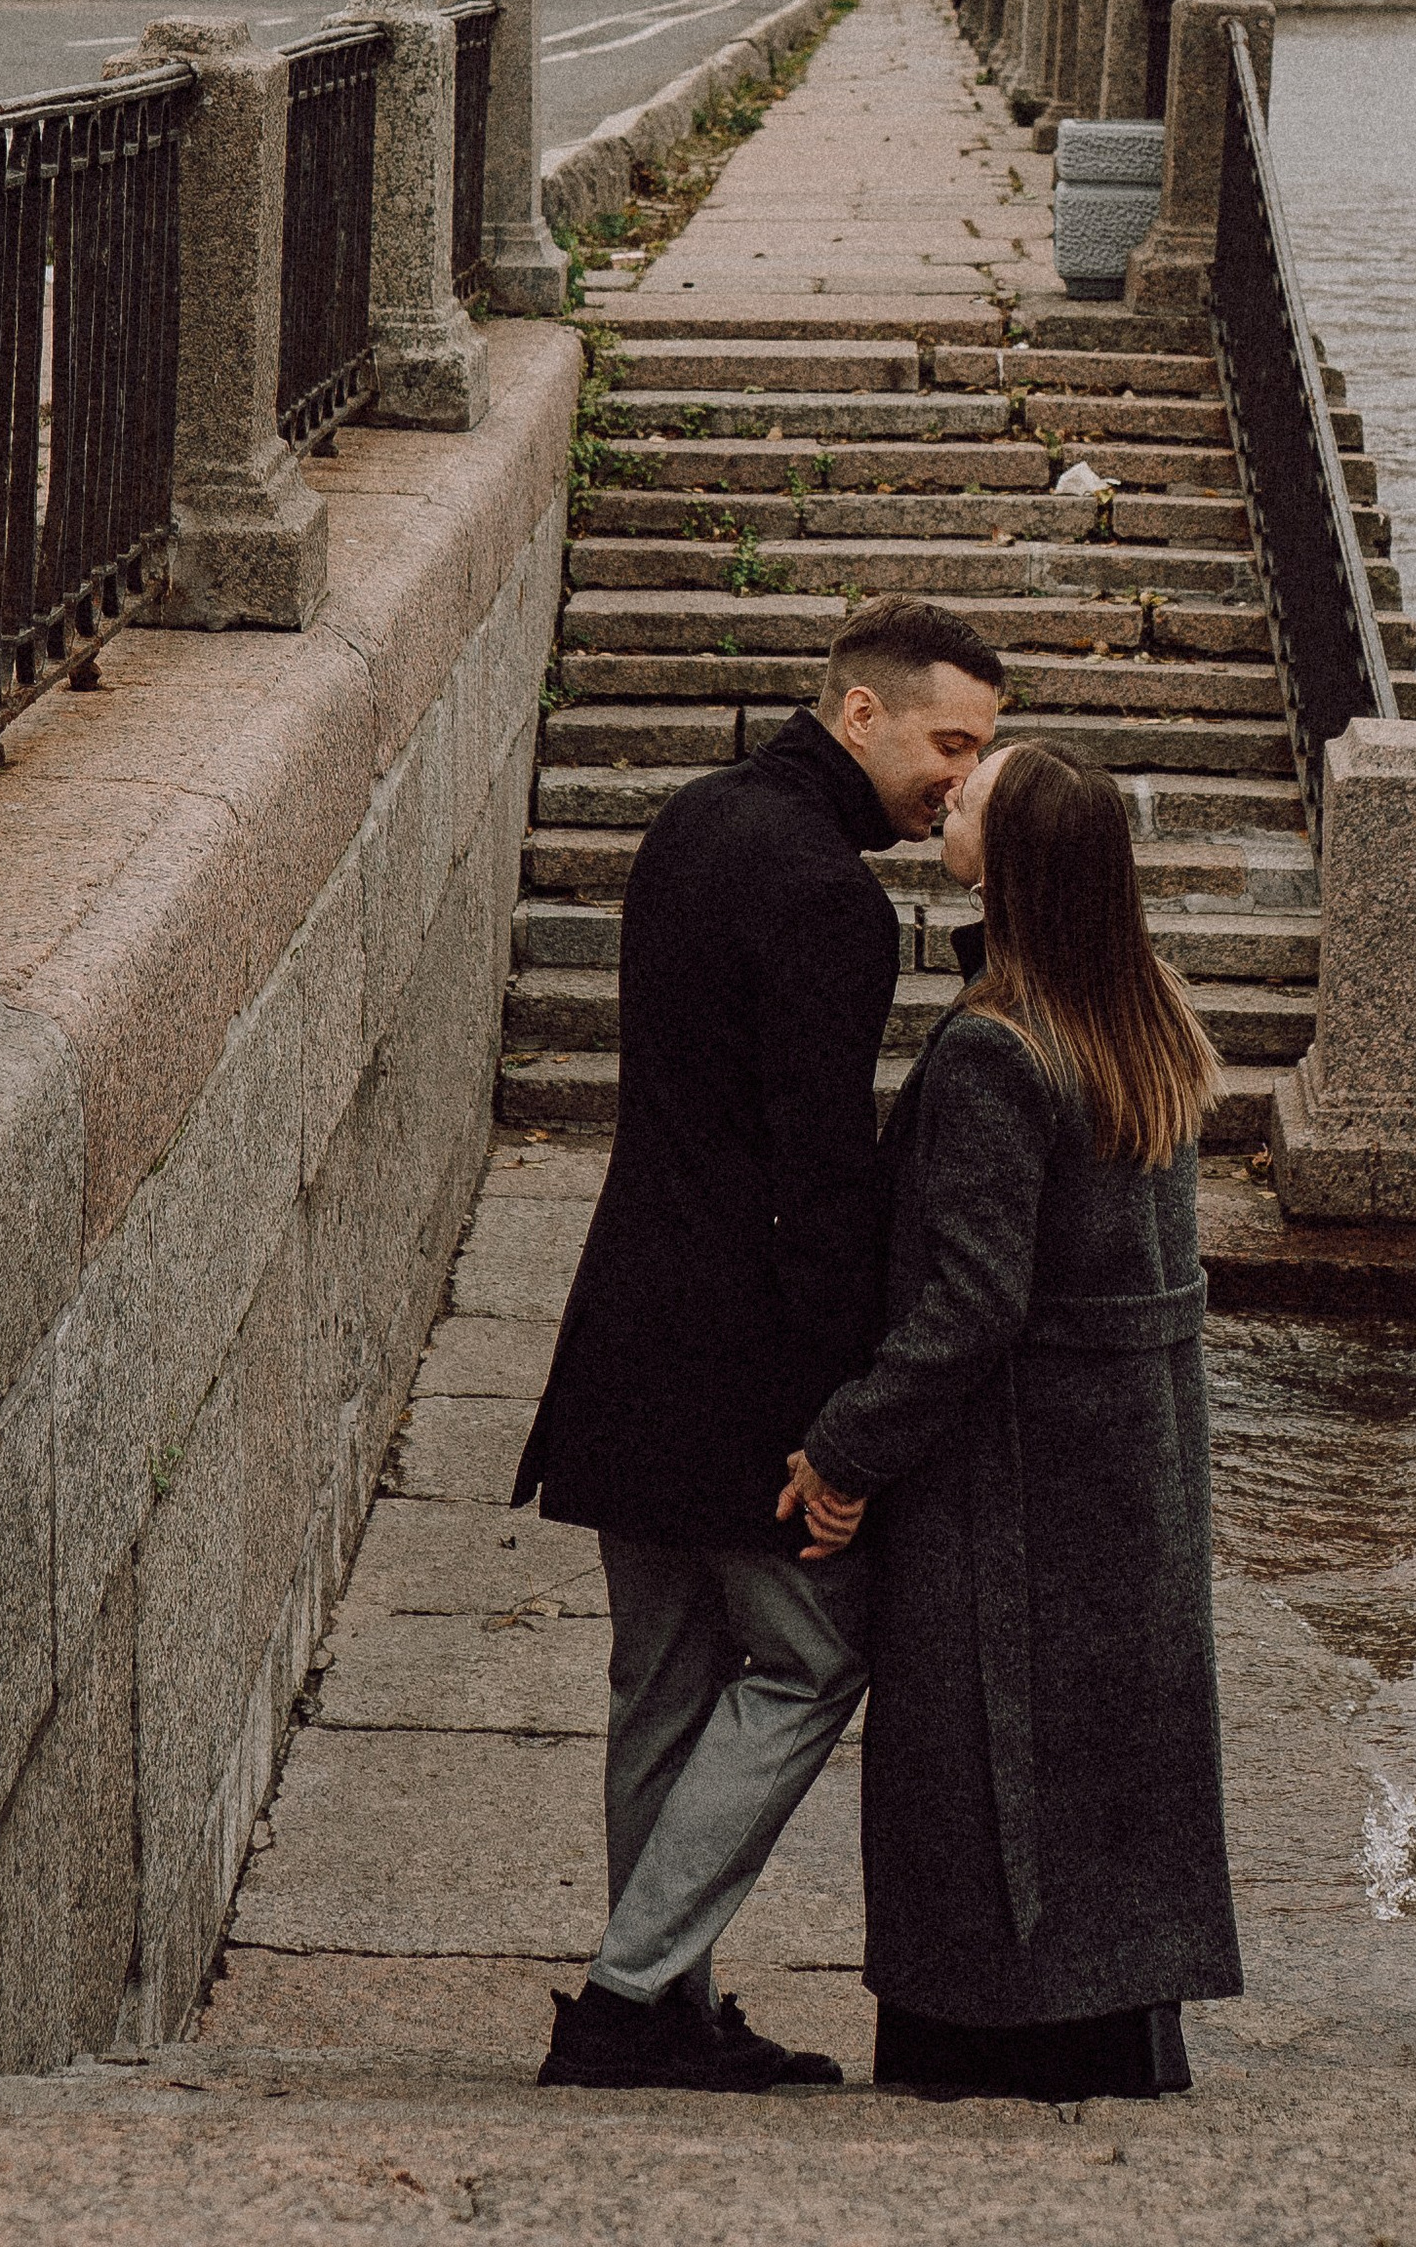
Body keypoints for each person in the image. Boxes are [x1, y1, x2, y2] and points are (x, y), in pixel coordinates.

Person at [513, 596, 1007, 2092]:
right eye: (949, 742)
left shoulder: (693, 825)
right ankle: (628, 1997)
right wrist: (837, 1429)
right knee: (811, 1660)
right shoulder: (831, 901)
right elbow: (820, 1191)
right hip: (739, 1369)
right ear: (859, 713)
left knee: (660, 1679)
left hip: (623, 1335)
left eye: (979, 754)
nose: (959, 777)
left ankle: (660, 2007)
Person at [782, 740, 1241, 2100]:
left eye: (977, 791)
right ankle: (1115, 2051)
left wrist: (845, 1448)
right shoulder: (1144, 1011)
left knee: (985, 1781)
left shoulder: (995, 1049)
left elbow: (973, 1305)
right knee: (1109, 1781)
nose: (955, 787)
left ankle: (975, 2068)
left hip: (1014, 1485)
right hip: (1131, 1471)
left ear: (1019, 859)